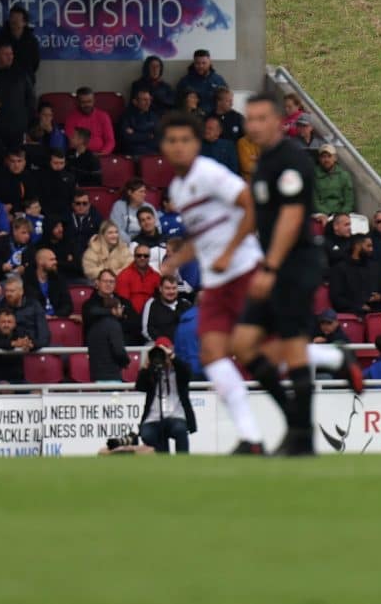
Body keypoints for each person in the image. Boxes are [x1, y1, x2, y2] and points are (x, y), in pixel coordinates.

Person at [232, 93, 359, 456]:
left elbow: (289, 218)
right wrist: (229, 251)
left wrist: (270, 267)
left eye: (259, 118)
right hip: (272, 264)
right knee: (243, 345)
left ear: (276, 121)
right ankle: (296, 421)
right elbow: (259, 214)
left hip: (295, 265)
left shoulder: (291, 160)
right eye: (249, 118)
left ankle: (302, 440)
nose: (252, 124)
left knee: (292, 348)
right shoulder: (264, 162)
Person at [153, 112, 271, 451]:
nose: (178, 147)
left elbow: (252, 206)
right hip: (222, 277)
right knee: (215, 352)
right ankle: (250, 437)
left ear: (197, 144)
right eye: (171, 141)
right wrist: (177, 260)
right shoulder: (178, 187)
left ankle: (336, 361)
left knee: (256, 349)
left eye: (184, 140)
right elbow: (203, 235)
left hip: (243, 267)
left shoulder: (212, 174)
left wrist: (228, 252)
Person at [313, 144, 356, 217]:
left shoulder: (344, 175)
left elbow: (349, 200)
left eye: (329, 156)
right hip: (321, 214)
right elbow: (315, 201)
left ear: (335, 158)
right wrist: (329, 214)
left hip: (342, 214)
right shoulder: (313, 175)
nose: (326, 160)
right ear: (319, 159)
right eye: (323, 157)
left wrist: (342, 214)